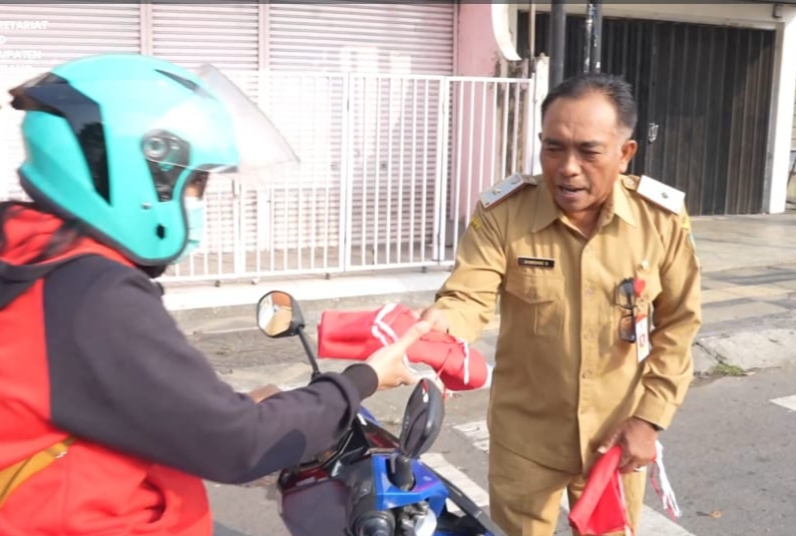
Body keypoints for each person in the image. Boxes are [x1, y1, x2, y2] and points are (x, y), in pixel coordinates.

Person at [0, 54, 429, 535]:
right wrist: (361, 380)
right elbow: (239, 446)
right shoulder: (92, 293)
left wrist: (226, 407)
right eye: (196, 182)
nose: (199, 201)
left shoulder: (28, 252)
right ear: (138, 173)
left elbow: (104, 395)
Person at [420, 73, 702, 536]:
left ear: (624, 153)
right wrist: (441, 326)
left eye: (588, 151)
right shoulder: (504, 214)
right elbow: (467, 295)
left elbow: (679, 324)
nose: (568, 167)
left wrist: (649, 419)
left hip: (617, 438)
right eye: (554, 148)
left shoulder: (660, 221)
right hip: (525, 440)